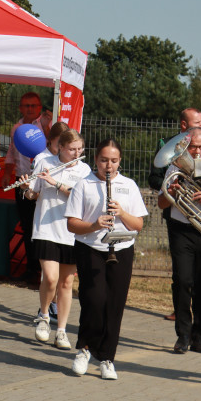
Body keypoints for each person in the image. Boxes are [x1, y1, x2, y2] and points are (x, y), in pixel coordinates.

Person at [66, 139, 148, 380]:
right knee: (94, 299)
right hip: (90, 247)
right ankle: (84, 349)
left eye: (113, 161)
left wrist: (121, 213)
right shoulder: (84, 184)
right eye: (104, 160)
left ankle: (107, 358)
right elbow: (72, 224)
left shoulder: (129, 185)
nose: (108, 165)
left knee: (114, 304)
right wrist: (94, 224)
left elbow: (139, 225)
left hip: (121, 248)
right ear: (96, 160)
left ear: (119, 161)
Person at [157, 126, 201, 354]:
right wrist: (173, 193)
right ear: (186, 146)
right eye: (193, 146)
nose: (197, 151)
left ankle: (200, 337)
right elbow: (161, 203)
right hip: (182, 229)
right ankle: (183, 335)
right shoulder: (176, 166)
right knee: (183, 281)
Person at [148, 107, 201, 322]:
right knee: (182, 274)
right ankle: (181, 310)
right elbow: (155, 178)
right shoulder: (169, 146)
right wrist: (173, 188)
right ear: (184, 126)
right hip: (178, 213)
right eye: (197, 123)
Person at [28, 129, 89, 350]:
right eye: (72, 149)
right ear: (60, 147)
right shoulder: (44, 162)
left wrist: (55, 184)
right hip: (46, 228)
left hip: (71, 231)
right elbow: (32, 194)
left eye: (79, 149)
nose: (76, 153)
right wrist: (28, 188)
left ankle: (61, 331)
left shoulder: (85, 170)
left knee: (66, 282)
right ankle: (44, 317)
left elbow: (81, 199)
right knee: (51, 278)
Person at [5, 91, 51, 281]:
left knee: (42, 225)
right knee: (26, 225)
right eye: (26, 106)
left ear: (39, 108)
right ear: (20, 108)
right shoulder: (17, 127)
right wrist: (7, 172)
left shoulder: (47, 123)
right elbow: (11, 152)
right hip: (22, 181)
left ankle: (44, 269)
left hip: (42, 181)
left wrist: (48, 126)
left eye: (34, 106)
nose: (30, 109)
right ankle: (31, 268)